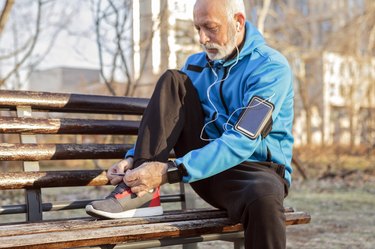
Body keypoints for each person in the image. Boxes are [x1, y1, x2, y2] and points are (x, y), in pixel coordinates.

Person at [85, 0, 294, 248]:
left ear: (238, 22)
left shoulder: (270, 68)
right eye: (197, 29)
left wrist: (172, 171)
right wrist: (133, 160)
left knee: (265, 198)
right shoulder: (195, 65)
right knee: (174, 80)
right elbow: (167, 118)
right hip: (206, 173)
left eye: (210, 27)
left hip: (254, 174)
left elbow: (244, 138)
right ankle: (141, 193)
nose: (202, 39)